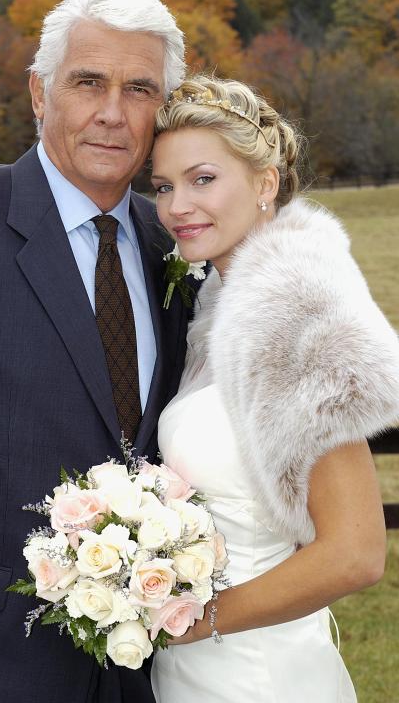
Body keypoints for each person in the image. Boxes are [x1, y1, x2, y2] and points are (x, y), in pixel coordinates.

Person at [0, 0, 188, 703]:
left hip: (144, 665)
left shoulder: (176, 244)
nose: (112, 112)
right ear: (38, 93)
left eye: (139, 89)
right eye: (88, 82)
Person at [149, 74, 399, 702]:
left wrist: (194, 622)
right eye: (164, 186)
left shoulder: (298, 311)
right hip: (197, 670)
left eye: (203, 179)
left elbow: (356, 552)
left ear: (265, 184)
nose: (177, 206)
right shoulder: (220, 306)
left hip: (257, 672)